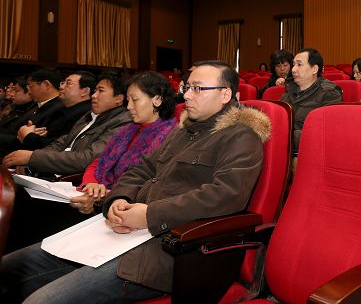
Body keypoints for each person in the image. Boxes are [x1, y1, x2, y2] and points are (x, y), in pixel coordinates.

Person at [0, 60, 270, 303]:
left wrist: (149, 215)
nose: (187, 95)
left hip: (168, 248)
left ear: (225, 94)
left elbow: (226, 195)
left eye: (198, 89)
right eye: (187, 87)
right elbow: (142, 169)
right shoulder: (183, 130)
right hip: (122, 230)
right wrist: (119, 199)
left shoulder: (240, 136)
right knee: (10, 267)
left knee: (42, 300)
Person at [69, 71, 177, 214]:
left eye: (135, 100)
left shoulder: (171, 136)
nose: (129, 106)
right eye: (128, 100)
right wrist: (91, 184)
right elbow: (98, 162)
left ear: (157, 100)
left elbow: (148, 185)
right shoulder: (129, 130)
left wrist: (103, 196)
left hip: (125, 207)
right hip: (99, 198)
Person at [3, 71, 131, 176]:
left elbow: (87, 158)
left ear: (118, 99)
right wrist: (33, 162)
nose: (94, 95)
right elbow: (61, 143)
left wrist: (33, 157)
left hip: (74, 181)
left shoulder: (123, 122)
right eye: (95, 90)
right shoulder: (89, 115)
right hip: (55, 174)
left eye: (101, 91)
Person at [281, 48, 342, 151]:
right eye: (293, 64)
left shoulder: (329, 94)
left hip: (308, 151)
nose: (293, 69)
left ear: (314, 69)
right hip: (283, 148)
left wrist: (283, 136)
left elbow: (322, 133)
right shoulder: (288, 91)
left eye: (299, 64)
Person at [18, 71, 95, 151]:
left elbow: (60, 147)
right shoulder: (63, 109)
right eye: (62, 83)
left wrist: (28, 136)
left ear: (85, 91)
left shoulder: (85, 115)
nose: (61, 87)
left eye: (68, 83)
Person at [0, 69, 64, 155]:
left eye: (31, 86)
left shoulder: (58, 109)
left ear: (46, 84)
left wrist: (26, 135)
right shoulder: (41, 105)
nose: (29, 92)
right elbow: (17, 132)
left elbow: (43, 144)